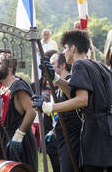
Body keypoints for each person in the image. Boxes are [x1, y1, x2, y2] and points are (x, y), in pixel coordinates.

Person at [33, 29, 112, 172]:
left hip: (95, 132)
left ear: (73, 48)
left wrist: (50, 107)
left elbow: (82, 100)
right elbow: (76, 94)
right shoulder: (100, 66)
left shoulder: (79, 65)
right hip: (107, 129)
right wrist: (57, 80)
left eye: (65, 48)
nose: (64, 53)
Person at [0, 49, 38, 171]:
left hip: (19, 142)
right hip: (4, 139)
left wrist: (19, 136)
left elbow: (32, 111)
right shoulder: (0, 86)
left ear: (9, 67)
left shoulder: (18, 86)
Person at [50, 52, 82, 172]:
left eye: (52, 64)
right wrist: (53, 130)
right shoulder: (58, 88)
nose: (50, 67)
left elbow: (74, 100)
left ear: (63, 65)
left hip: (73, 139)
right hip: (63, 138)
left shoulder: (71, 82)